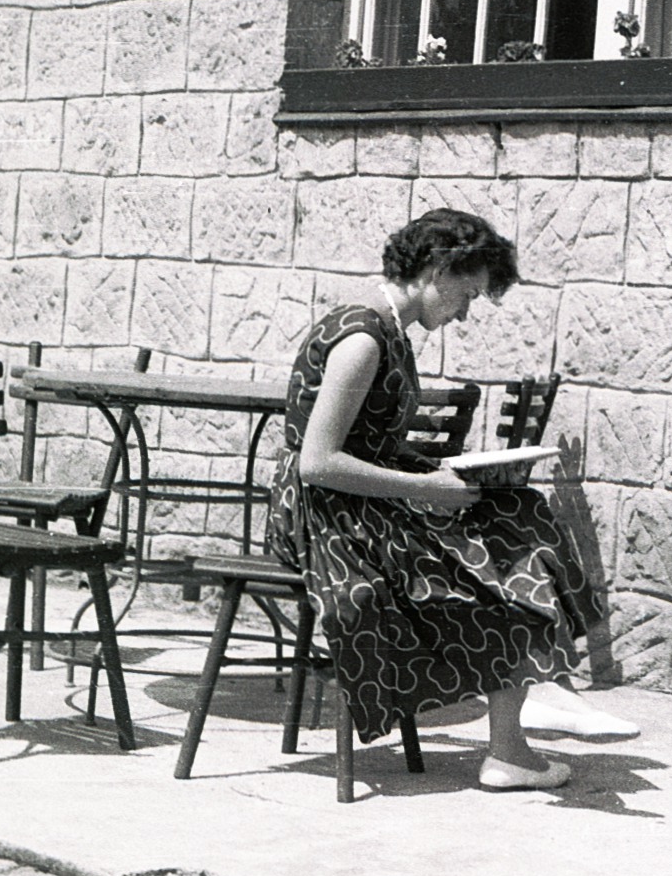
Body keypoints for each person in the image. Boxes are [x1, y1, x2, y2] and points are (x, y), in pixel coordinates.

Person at [267, 208, 633, 793]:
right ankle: (514, 739)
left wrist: (448, 476)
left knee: (519, 513)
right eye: (466, 294)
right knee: (508, 555)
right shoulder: (363, 339)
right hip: (326, 520)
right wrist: (424, 488)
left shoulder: (387, 329)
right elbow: (318, 463)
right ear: (438, 268)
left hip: (356, 505)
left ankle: (523, 724)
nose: (464, 312)